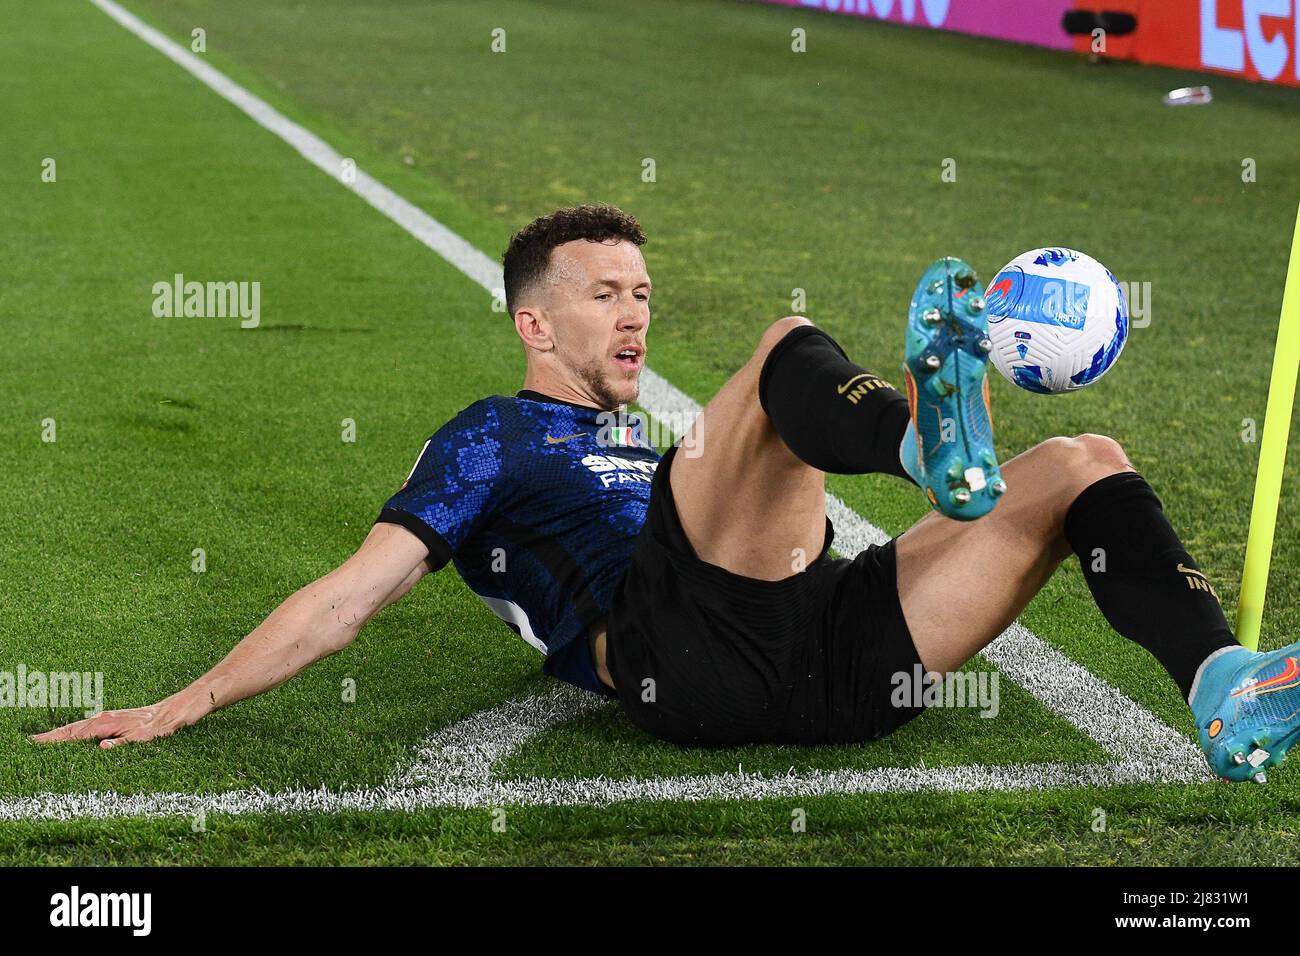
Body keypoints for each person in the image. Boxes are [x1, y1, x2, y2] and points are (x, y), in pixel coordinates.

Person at [35, 203, 1300, 784]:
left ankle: (1221, 688)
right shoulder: (494, 435)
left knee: (1084, 457)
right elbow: (351, 594)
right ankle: (927, 449)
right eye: (604, 292)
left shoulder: (659, 444)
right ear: (533, 320)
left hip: (837, 659)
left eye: (643, 291)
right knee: (781, 350)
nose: (634, 310)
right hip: (671, 654)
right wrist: (183, 699)